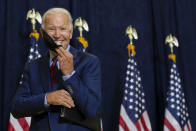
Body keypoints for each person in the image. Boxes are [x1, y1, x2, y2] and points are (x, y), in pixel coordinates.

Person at [11, 8, 101, 131]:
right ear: (42, 34)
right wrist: (47, 99)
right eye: (51, 29)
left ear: (70, 32)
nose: (57, 34)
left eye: (63, 29)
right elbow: (16, 107)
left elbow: (92, 109)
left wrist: (70, 75)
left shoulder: (89, 62)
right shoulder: (33, 66)